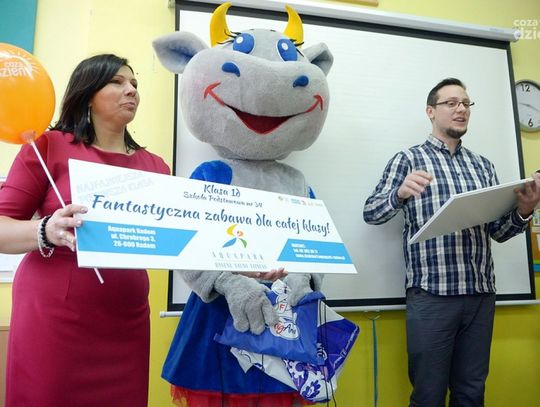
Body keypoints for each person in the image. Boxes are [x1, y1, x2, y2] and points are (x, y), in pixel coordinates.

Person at [0, 54, 170, 407]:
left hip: (126, 320)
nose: (131, 90)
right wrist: (46, 230)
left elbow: (183, 242)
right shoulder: (47, 146)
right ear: (88, 94)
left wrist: (243, 264)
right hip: (54, 320)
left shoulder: (156, 167)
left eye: (134, 83)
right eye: (117, 82)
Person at [363, 77, 540, 407]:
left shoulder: (483, 166)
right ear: (431, 111)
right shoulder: (408, 160)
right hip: (432, 295)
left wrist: (524, 210)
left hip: (480, 295)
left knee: (471, 393)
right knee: (428, 396)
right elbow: (371, 213)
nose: (461, 109)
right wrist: (398, 194)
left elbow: (498, 232)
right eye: (452, 103)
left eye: (466, 103)